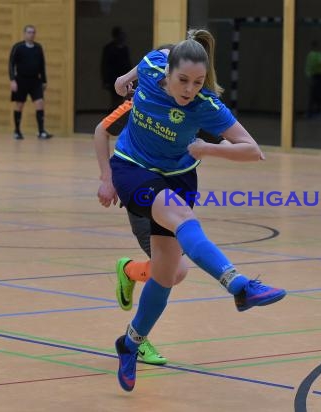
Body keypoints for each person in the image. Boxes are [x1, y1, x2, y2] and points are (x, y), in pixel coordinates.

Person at [108, 29, 287, 392]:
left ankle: (130, 344)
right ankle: (239, 285)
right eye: (183, 80)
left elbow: (253, 150)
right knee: (184, 219)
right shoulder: (152, 65)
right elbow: (129, 76)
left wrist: (207, 148)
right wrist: (124, 81)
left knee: (165, 274)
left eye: (198, 81)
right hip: (132, 168)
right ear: (167, 73)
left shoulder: (207, 105)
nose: (189, 89)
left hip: (178, 177)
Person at [94, 93, 230, 365]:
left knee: (172, 271)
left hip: (174, 193)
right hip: (142, 192)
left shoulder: (195, 107)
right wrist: (107, 179)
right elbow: (101, 130)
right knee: (175, 271)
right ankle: (137, 339)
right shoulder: (144, 101)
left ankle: (130, 271)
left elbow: (227, 139)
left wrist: (213, 147)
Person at [8, 24, 52, 140]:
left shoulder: (38, 47)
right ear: (24, 33)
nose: (31, 34)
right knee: (19, 105)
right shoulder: (18, 47)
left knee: (40, 103)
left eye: (33, 32)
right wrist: (12, 80)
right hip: (21, 80)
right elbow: (11, 64)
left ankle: (41, 131)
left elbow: (42, 65)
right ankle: (17, 131)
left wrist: (44, 80)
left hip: (35, 81)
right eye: (29, 32)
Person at [101, 26, 132, 112]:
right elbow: (105, 66)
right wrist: (106, 81)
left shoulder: (125, 48)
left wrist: (131, 78)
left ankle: (122, 118)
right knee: (115, 101)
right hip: (113, 79)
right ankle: (112, 119)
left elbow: (128, 64)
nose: (124, 36)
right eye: (122, 34)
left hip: (125, 78)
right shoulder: (109, 48)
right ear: (116, 36)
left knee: (126, 100)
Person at [305, 40, 321, 118]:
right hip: (315, 76)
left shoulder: (315, 55)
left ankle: (316, 111)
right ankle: (313, 111)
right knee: (314, 95)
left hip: (318, 76)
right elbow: (320, 63)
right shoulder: (315, 55)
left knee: (317, 95)